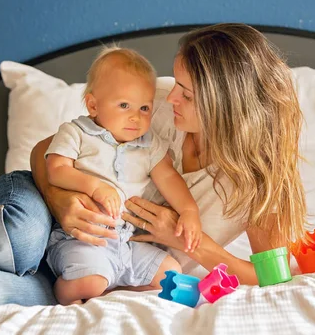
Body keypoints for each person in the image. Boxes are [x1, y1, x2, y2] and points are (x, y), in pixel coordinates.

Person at [0, 23, 307, 307]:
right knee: (22, 235)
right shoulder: (154, 109)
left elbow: (272, 278)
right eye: (177, 84)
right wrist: (62, 200)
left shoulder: (259, 183)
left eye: (187, 93)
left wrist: (190, 243)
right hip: (38, 205)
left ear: (229, 106)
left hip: (96, 266)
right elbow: (44, 151)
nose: (171, 98)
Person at [44, 47, 200, 305]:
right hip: (84, 238)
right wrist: (93, 187)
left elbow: (170, 178)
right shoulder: (77, 132)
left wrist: (189, 211)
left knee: (171, 273)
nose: (135, 117)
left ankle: (108, 296)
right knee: (91, 281)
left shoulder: (149, 144)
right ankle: (63, 293)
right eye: (124, 105)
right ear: (94, 105)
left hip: (129, 241)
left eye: (144, 108)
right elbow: (56, 169)